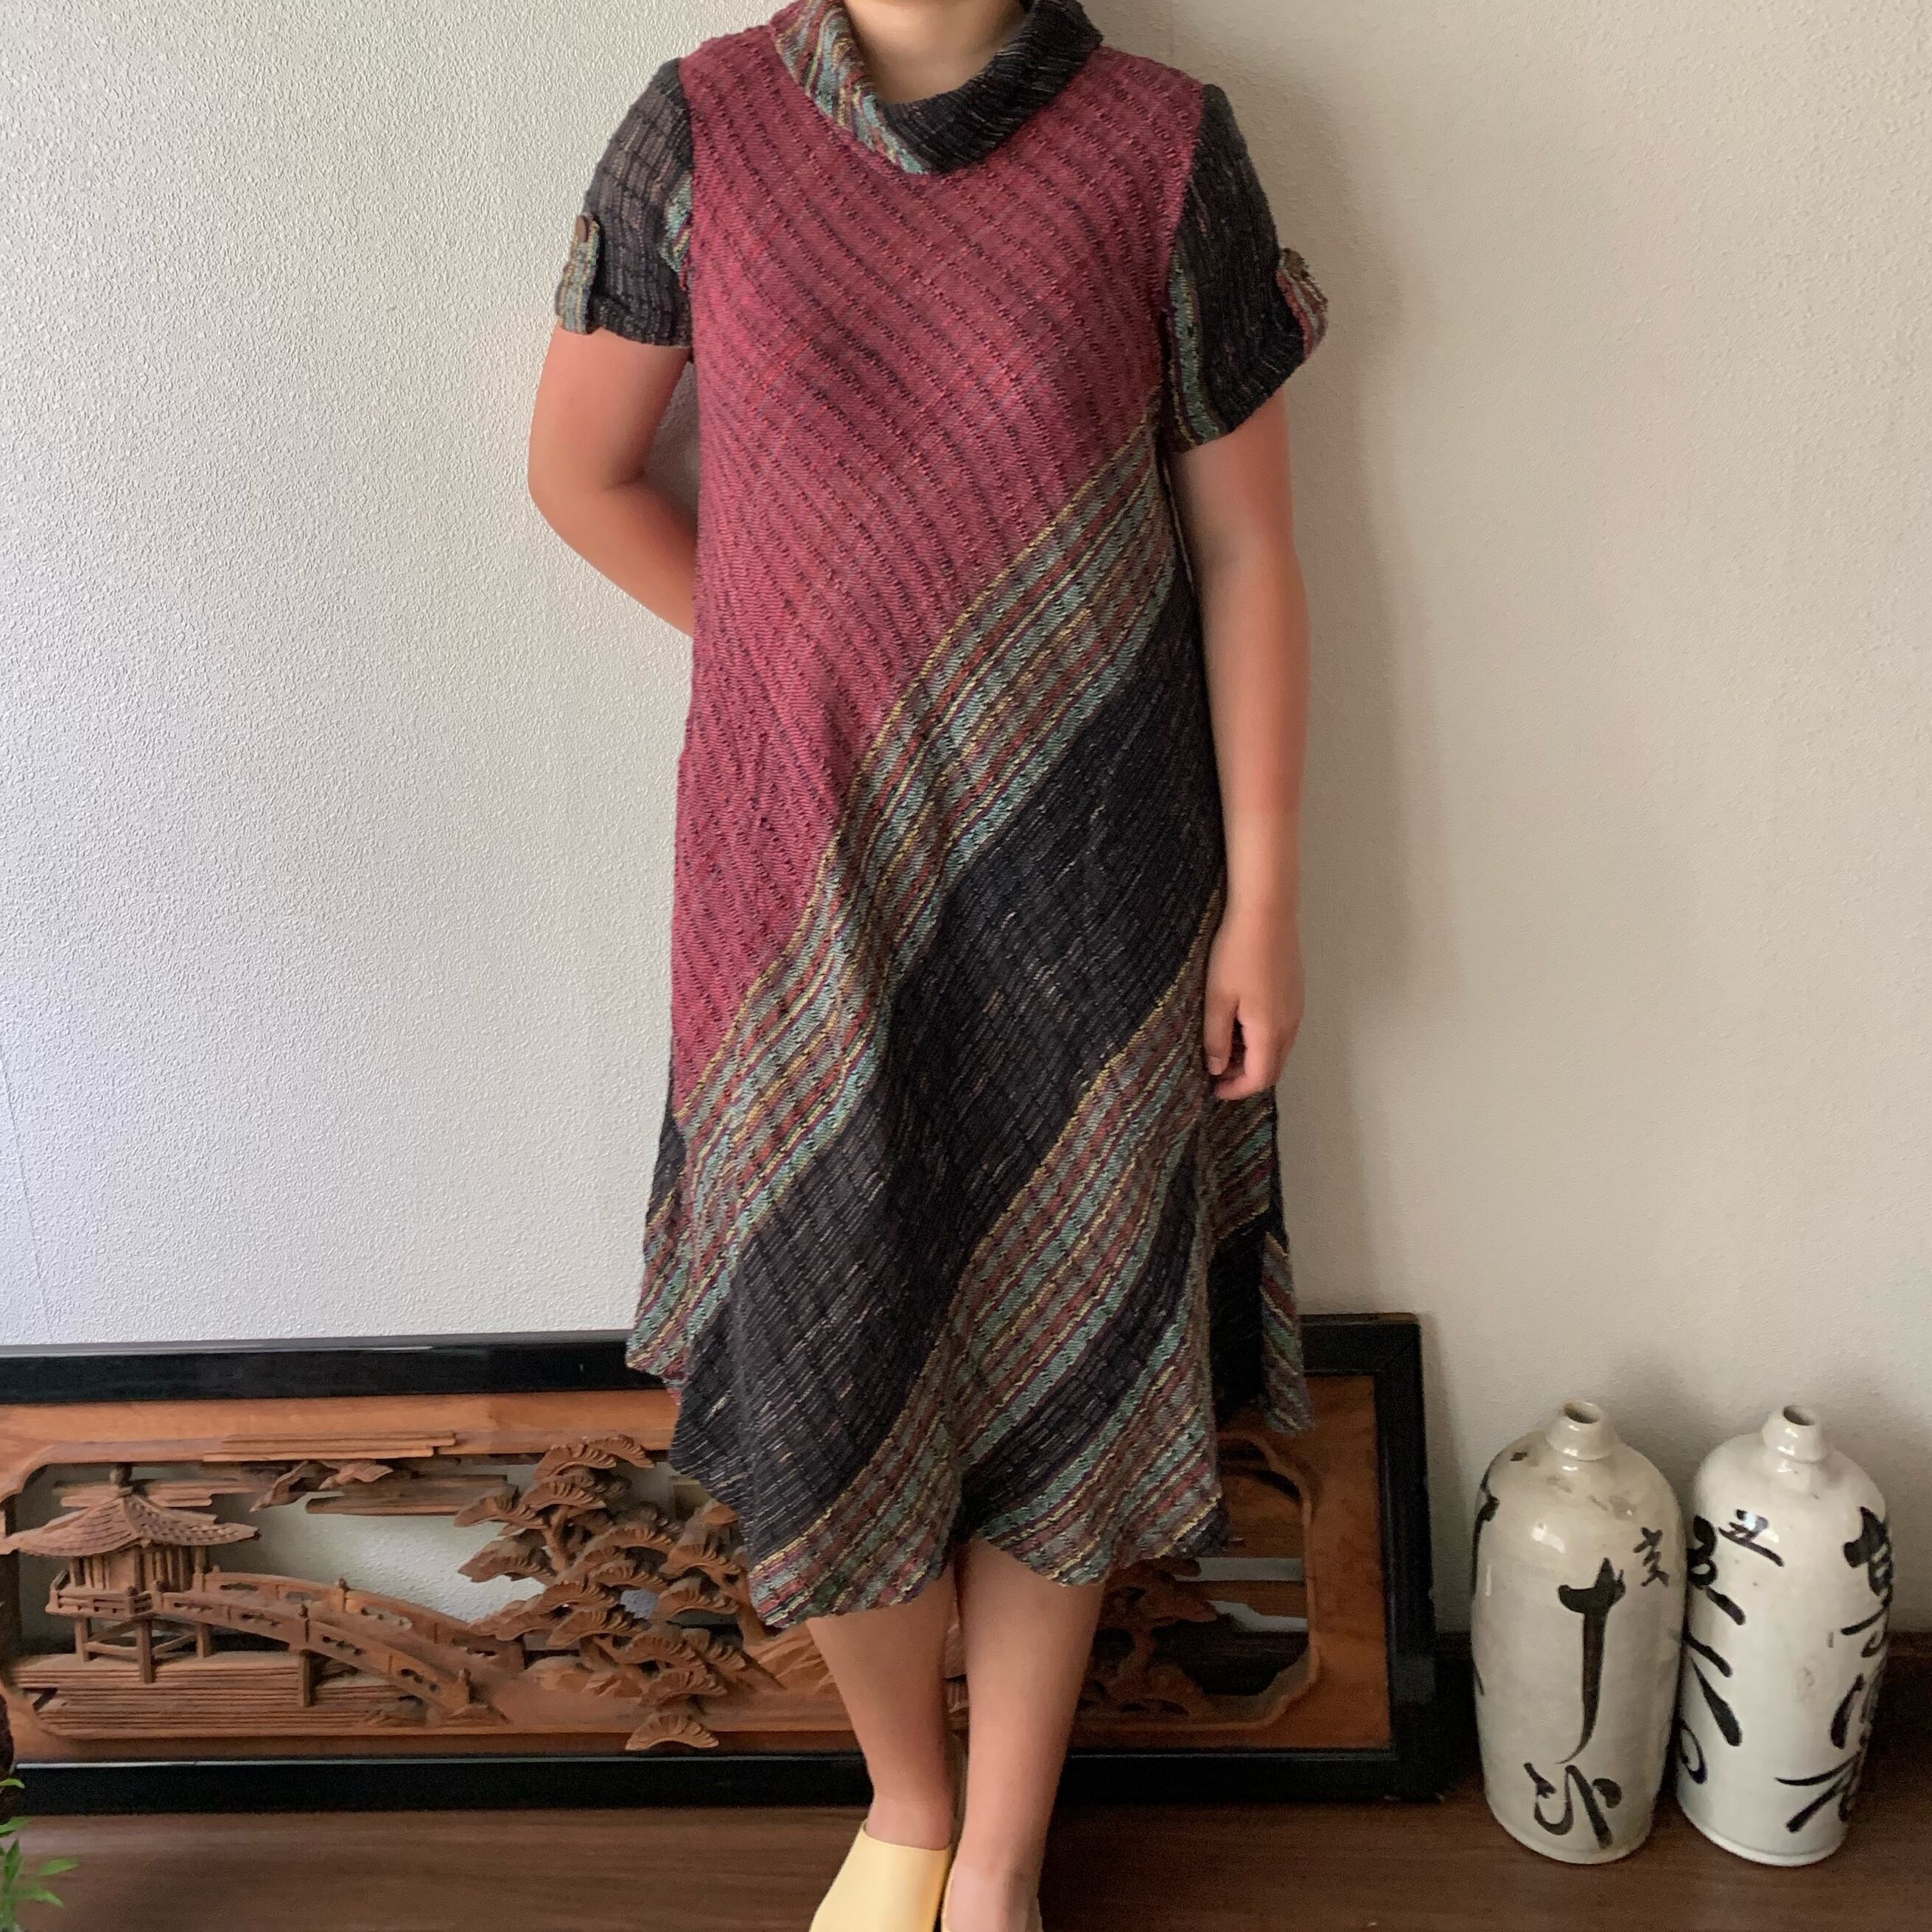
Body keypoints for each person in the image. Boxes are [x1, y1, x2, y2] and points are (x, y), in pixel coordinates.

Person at [527, 2, 1326, 1927]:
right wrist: (803, 658)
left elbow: (1246, 552)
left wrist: (1268, 897)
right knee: (831, 1322)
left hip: (1100, 871)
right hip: (800, 879)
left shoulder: (1164, 149)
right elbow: (581, 471)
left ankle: (1001, 1862)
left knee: (1071, 1341)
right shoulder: (700, 128)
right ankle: (906, 1806)